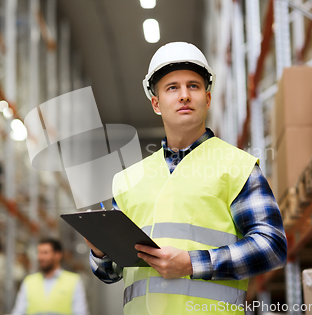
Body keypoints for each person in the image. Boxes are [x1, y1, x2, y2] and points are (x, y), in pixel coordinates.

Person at [86, 41, 287, 314]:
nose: (184, 95)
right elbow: (111, 273)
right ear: (156, 103)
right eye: (172, 88)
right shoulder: (127, 180)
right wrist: (100, 252)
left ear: (208, 98)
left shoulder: (237, 166)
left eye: (193, 86)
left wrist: (193, 263)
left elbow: (272, 246)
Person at [12, 238, 89, 315]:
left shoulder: (74, 281)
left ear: (58, 255)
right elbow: (19, 311)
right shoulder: (29, 281)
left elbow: (80, 312)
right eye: (38, 253)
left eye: (45, 253)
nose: (40, 257)